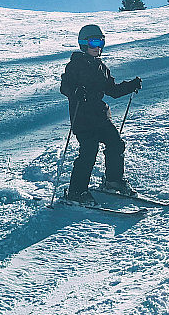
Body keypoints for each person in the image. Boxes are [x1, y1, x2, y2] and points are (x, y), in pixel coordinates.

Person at [60, 24, 142, 204]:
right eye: (94, 42)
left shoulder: (102, 68)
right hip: (82, 118)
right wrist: (75, 92)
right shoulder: (75, 65)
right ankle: (76, 191)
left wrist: (130, 85)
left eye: (101, 42)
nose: (98, 47)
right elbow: (64, 86)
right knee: (89, 152)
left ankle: (113, 181)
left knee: (116, 144)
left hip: (101, 116)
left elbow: (112, 90)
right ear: (83, 44)